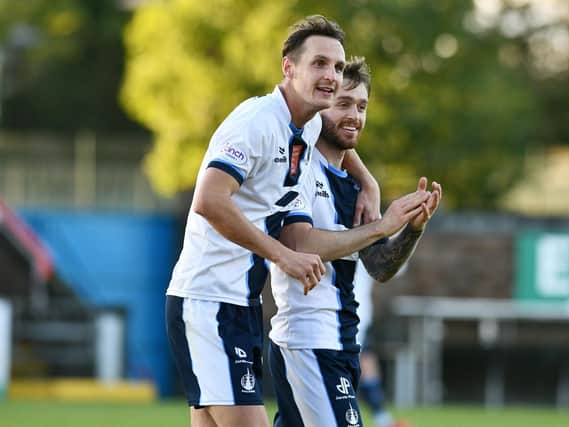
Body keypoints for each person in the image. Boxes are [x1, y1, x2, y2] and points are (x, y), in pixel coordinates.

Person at [164, 16, 382, 427]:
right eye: (319, 63)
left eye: (337, 67)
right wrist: (283, 255)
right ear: (289, 67)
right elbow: (209, 201)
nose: (331, 76)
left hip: (237, 303)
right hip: (208, 300)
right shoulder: (257, 121)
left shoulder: (308, 122)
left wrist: (367, 181)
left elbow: (344, 148)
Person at [269, 57, 442, 427]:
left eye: (362, 106)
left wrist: (412, 229)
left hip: (341, 341)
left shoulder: (352, 186)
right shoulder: (297, 162)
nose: (355, 116)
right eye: (344, 104)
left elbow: (378, 267)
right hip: (309, 340)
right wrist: (382, 225)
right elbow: (299, 246)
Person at [354, 260, 408, 427]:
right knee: (358, 366)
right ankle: (381, 418)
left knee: (366, 362)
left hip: (359, 315)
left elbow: (396, 268)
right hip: (348, 316)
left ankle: (381, 418)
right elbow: (393, 266)